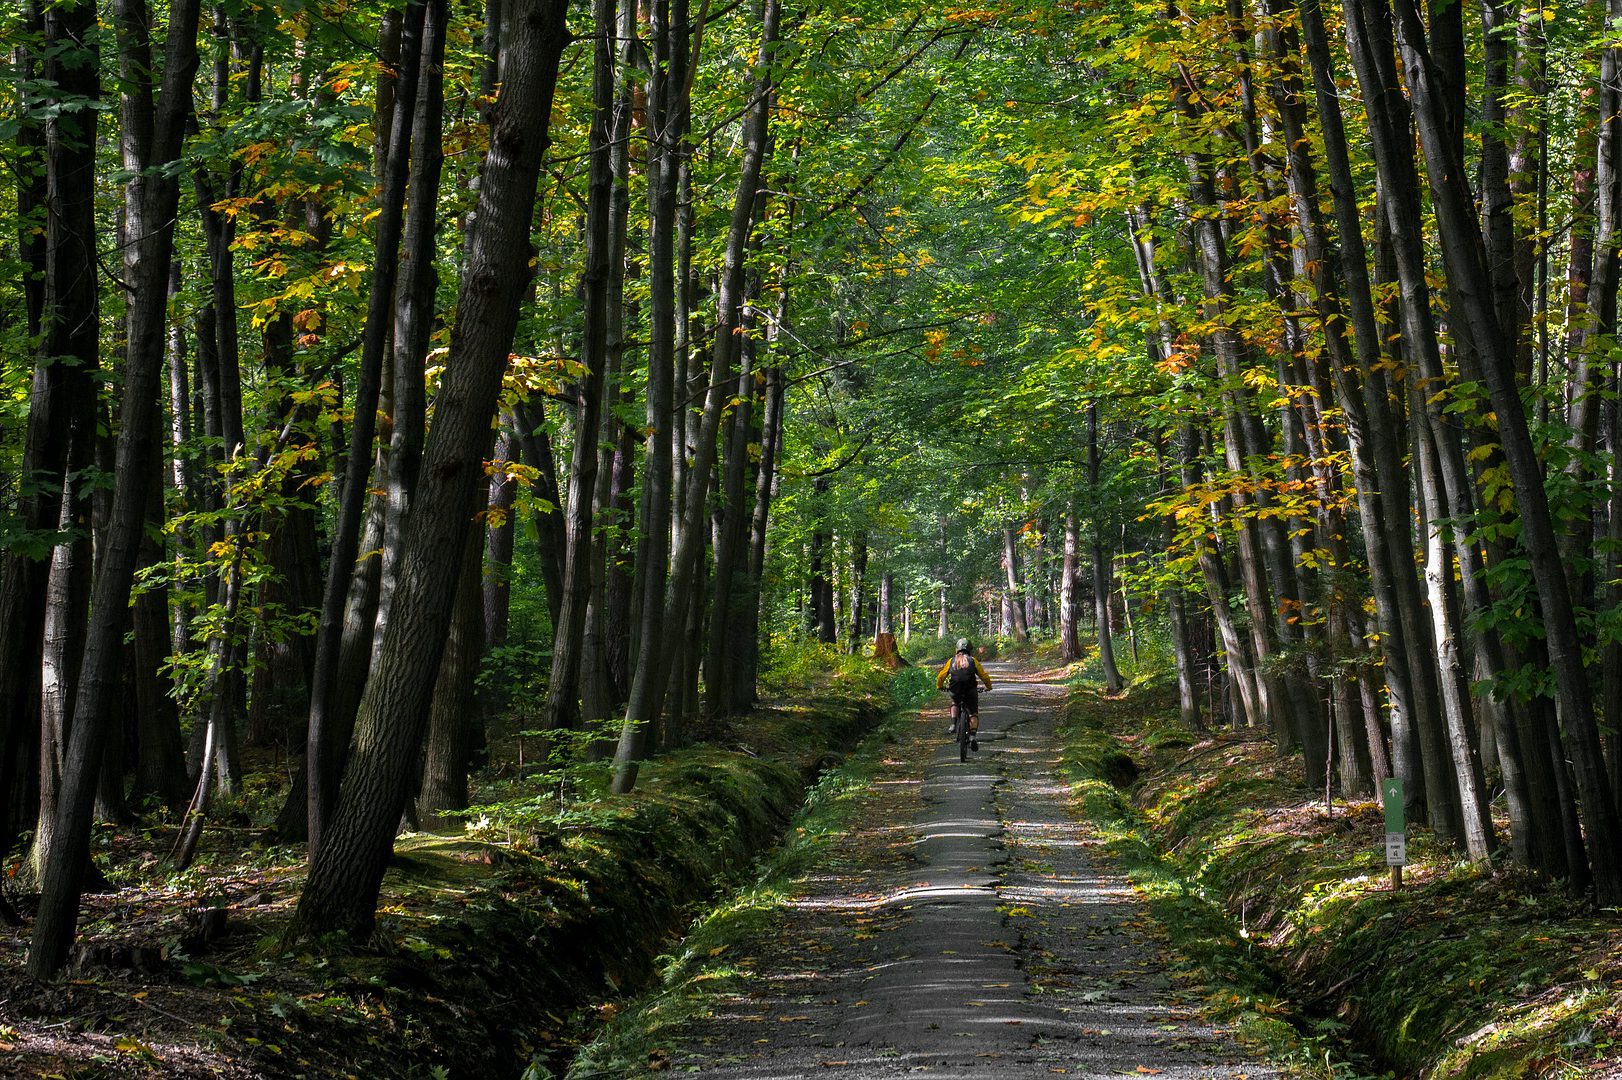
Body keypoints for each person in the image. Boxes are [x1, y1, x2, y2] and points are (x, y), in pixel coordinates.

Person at [936, 638, 992, 750]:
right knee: (973, 713)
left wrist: (939, 686)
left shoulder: (951, 661)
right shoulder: (973, 660)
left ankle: (953, 724)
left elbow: (941, 676)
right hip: (970, 690)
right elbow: (984, 675)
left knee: (954, 703)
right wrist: (988, 687)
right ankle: (972, 736)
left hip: (955, 689)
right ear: (969, 649)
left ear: (957, 649)